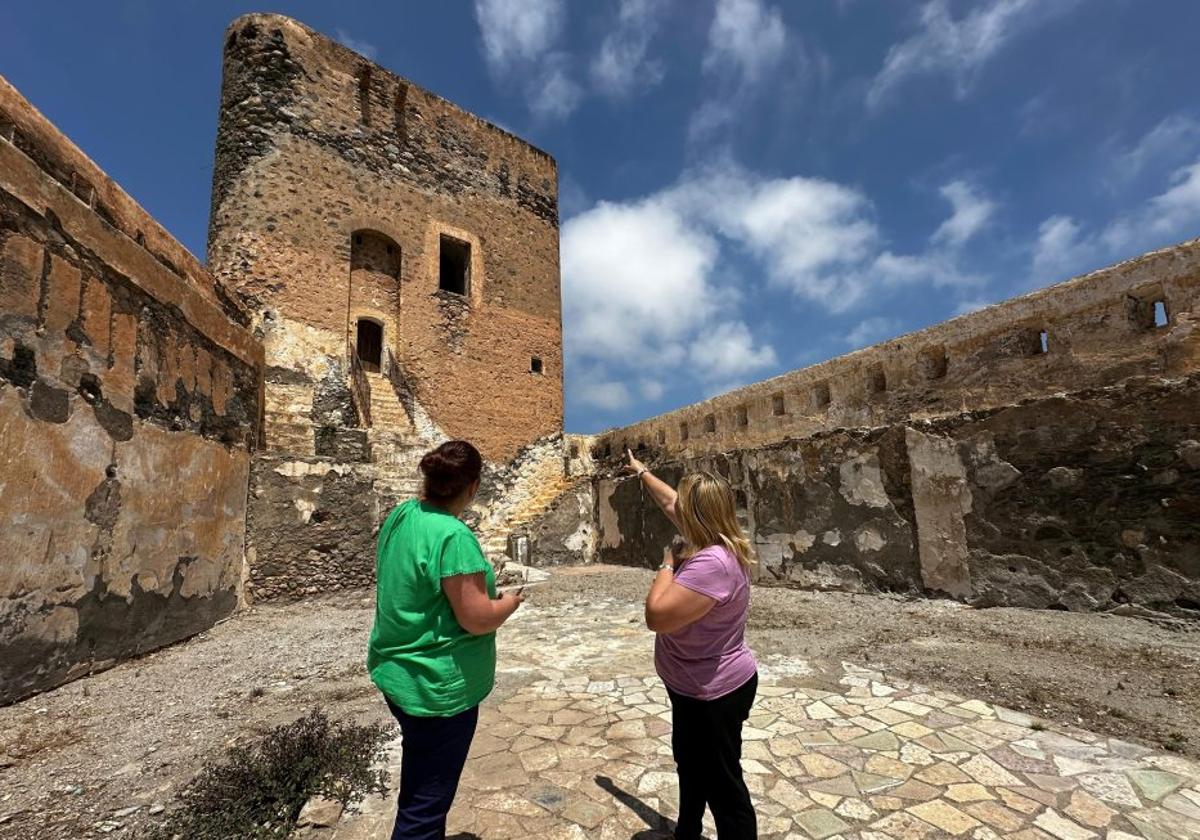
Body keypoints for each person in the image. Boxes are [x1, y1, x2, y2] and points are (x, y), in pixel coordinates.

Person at [367, 440, 524, 840]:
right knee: (425, 806)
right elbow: (476, 619)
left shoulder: (403, 515)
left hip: (398, 674)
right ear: (472, 487)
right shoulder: (454, 537)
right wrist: (509, 602)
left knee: (420, 780)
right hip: (438, 689)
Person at [627, 449, 759, 840]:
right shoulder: (709, 537)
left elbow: (658, 615)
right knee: (690, 764)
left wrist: (668, 562)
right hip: (691, 686)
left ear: (698, 514)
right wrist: (641, 471)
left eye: (687, 503)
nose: (677, 506)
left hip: (714, 692)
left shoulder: (713, 561)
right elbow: (668, 499)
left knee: (724, 788)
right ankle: (687, 832)